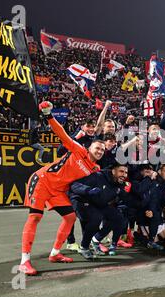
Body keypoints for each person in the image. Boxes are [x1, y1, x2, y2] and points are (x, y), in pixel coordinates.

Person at [19, 101, 105, 276]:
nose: (100, 151)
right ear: (90, 147)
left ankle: (55, 253)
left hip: (58, 190)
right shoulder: (78, 149)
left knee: (70, 217)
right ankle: (24, 261)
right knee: (35, 216)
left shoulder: (94, 168)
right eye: (97, 148)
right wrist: (49, 115)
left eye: (102, 150)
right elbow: (61, 134)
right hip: (42, 181)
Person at [69, 163, 131, 259]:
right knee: (95, 218)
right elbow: (74, 185)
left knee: (118, 217)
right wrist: (88, 190)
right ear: (113, 171)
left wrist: (126, 195)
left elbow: (124, 199)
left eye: (126, 172)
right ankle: (84, 247)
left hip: (97, 203)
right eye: (121, 171)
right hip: (81, 200)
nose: (124, 175)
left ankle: (96, 239)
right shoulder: (98, 176)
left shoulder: (120, 184)